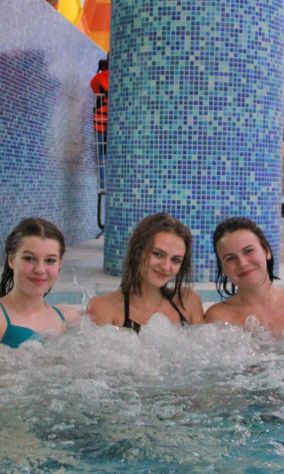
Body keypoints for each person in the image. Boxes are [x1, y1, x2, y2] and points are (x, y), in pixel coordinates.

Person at [0, 218, 80, 347]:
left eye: (50, 260)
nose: (40, 269)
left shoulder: (70, 318)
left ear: (60, 263)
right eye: (29, 258)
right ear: (11, 260)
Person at [204, 217, 284, 338]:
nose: (242, 263)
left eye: (248, 251)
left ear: (267, 251)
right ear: (223, 269)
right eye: (230, 258)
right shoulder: (217, 317)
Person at [86, 213, 204, 331]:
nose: (166, 267)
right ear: (137, 251)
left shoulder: (188, 302)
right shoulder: (104, 308)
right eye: (158, 254)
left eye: (175, 260)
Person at [90, 58, 109, 188]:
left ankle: (103, 184)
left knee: (101, 154)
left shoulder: (98, 77)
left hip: (100, 121)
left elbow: (94, 87)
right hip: (113, 123)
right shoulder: (118, 77)